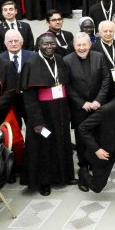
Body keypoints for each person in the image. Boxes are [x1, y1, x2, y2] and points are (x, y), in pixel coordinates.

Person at [21, 33, 75, 196]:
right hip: (43, 113)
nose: (49, 46)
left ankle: (64, 176)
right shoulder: (31, 63)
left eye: (52, 43)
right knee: (44, 147)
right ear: (39, 45)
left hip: (60, 109)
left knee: (63, 141)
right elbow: (29, 97)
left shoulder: (59, 59)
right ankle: (44, 181)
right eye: (45, 44)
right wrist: (37, 121)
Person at [63, 35, 110, 189]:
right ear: (74, 46)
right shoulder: (67, 60)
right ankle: (83, 168)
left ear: (90, 45)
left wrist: (98, 100)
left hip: (98, 105)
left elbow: (106, 79)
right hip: (80, 108)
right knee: (82, 138)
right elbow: (67, 85)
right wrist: (82, 103)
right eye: (78, 45)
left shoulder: (99, 56)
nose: (81, 48)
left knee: (99, 134)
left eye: (84, 44)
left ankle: (96, 163)